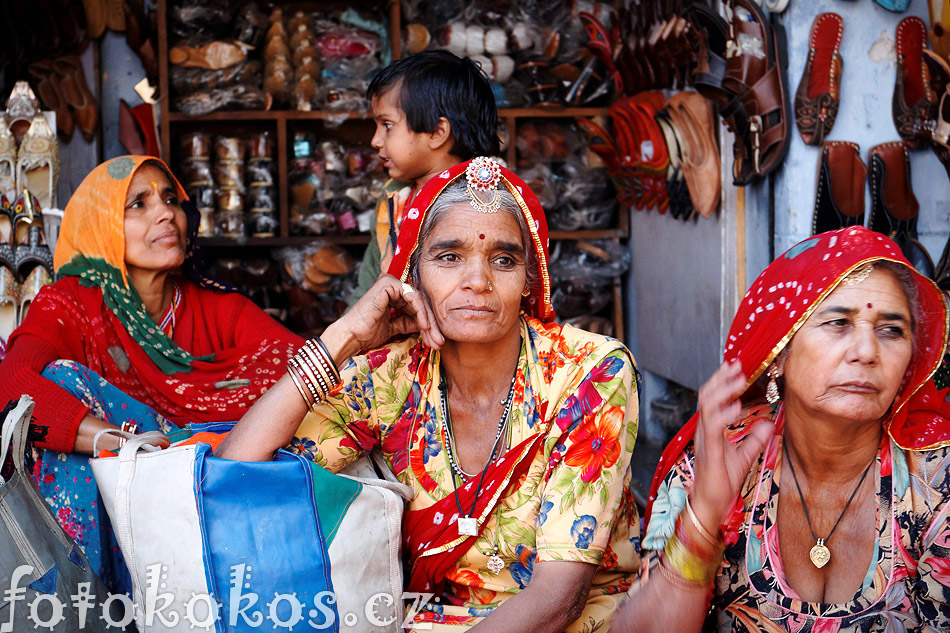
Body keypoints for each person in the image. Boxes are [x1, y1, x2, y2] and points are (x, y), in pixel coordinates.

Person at [218, 157, 641, 632]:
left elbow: (558, 600)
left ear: (529, 278)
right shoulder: (393, 376)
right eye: (449, 257)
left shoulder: (587, 372)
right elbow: (237, 475)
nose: (477, 282)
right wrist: (342, 338)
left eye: (504, 260)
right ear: (412, 274)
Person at [613, 226, 950, 632]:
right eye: (838, 323)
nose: (866, 352)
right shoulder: (721, 457)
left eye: (891, 330)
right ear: (779, 353)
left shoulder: (936, 480)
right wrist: (703, 513)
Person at [0, 155, 302, 590]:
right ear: (100, 223)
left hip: (210, 488)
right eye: (137, 204)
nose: (165, 213)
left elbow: (304, 370)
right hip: (117, 494)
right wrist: (119, 442)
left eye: (170, 199)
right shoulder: (70, 304)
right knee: (61, 382)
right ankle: (88, 601)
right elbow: (13, 386)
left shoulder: (218, 308)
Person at [348, 49, 501, 305]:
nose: (375, 141)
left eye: (387, 125)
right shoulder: (393, 200)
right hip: (394, 341)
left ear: (436, 132)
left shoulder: (488, 202)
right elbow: (368, 287)